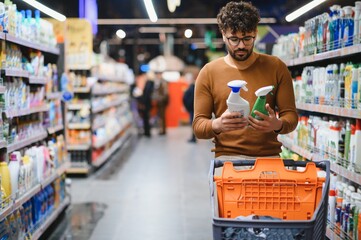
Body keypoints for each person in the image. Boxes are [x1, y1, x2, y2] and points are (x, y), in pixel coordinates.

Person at [192, 1, 298, 161]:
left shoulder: (276, 67)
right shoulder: (209, 72)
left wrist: (277, 125)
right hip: (227, 161)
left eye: (247, 38)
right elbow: (198, 126)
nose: (241, 45)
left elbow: (291, 116)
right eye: (233, 39)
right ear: (223, 34)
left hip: (268, 159)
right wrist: (217, 124)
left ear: (256, 32)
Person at [183, 67, 199, 143]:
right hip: (193, 108)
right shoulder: (194, 86)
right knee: (192, 123)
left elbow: (190, 98)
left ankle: (193, 137)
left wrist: (188, 106)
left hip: (193, 108)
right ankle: (193, 137)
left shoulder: (193, 87)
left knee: (193, 123)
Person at [136, 73, 155, 137]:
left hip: (146, 103)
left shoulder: (149, 84)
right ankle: (147, 131)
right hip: (146, 103)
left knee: (146, 118)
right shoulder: (149, 84)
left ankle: (147, 132)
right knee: (146, 118)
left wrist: (142, 103)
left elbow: (146, 95)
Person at [153, 71, 169, 135]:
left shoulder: (163, 82)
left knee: (162, 116)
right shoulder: (160, 82)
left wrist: (160, 99)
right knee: (161, 116)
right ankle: (162, 129)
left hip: (162, 102)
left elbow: (165, 93)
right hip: (160, 101)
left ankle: (162, 130)